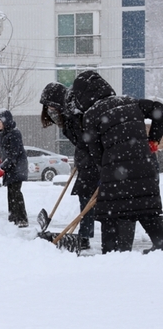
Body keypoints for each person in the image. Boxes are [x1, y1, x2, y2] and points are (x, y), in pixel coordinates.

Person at [72, 70, 163, 254]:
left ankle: (116, 259)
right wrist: (153, 140)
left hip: (116, 178)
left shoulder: (90, 115)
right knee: (148, 211)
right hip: (145, 172)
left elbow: (97, 154)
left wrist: (106, 168)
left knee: (115, 223)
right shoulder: (130, 102)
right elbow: (159, 110)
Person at [39, 82, 100, 250]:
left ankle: (85, 236)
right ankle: (85, 236)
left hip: (94, 164)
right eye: (47, 107)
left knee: (89, 199)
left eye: (52, 106)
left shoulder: (75, 117)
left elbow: (88, 141)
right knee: (85, 199)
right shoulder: (67, 121)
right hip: (86, 163)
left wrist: (87, 160)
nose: (50, 111)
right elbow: (81, 144)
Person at [0, 109, 29, 227]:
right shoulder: (2, 133)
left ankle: (21, 218)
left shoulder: (14, 134)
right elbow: (2, 148)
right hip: (10, 167)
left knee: (15, 192)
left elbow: (13, 155)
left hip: (17, 167)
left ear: (6, 121)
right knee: (11, 192)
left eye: (0, 121)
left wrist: (2, 168)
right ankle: (13, 217)